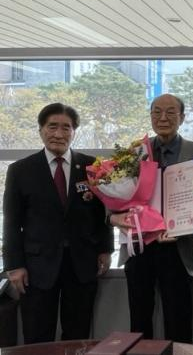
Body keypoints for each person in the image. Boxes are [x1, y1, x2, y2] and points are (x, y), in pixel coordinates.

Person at [2, 103, 113, 343]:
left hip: (82, 264)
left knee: (78, 335)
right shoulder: (20, 170)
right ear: (41, 130)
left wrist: (106, 249)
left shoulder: (92, 167)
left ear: (74, 132)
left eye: (66, 127)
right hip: (36, 268)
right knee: (37, 336)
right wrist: (14, 265)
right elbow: (11, 222)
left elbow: (103, 212)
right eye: (52, 127)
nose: (59, 134)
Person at [109, 93, 193, 342]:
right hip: (140, 245)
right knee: (139, 317)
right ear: (150, 116)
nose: (163, 118)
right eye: (157, 112)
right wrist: (114, 218)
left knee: (178, 318)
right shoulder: (135, 152)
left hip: (179, 247)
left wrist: (186, 227)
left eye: (170, 112)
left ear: (182, 117)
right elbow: (115, 192)